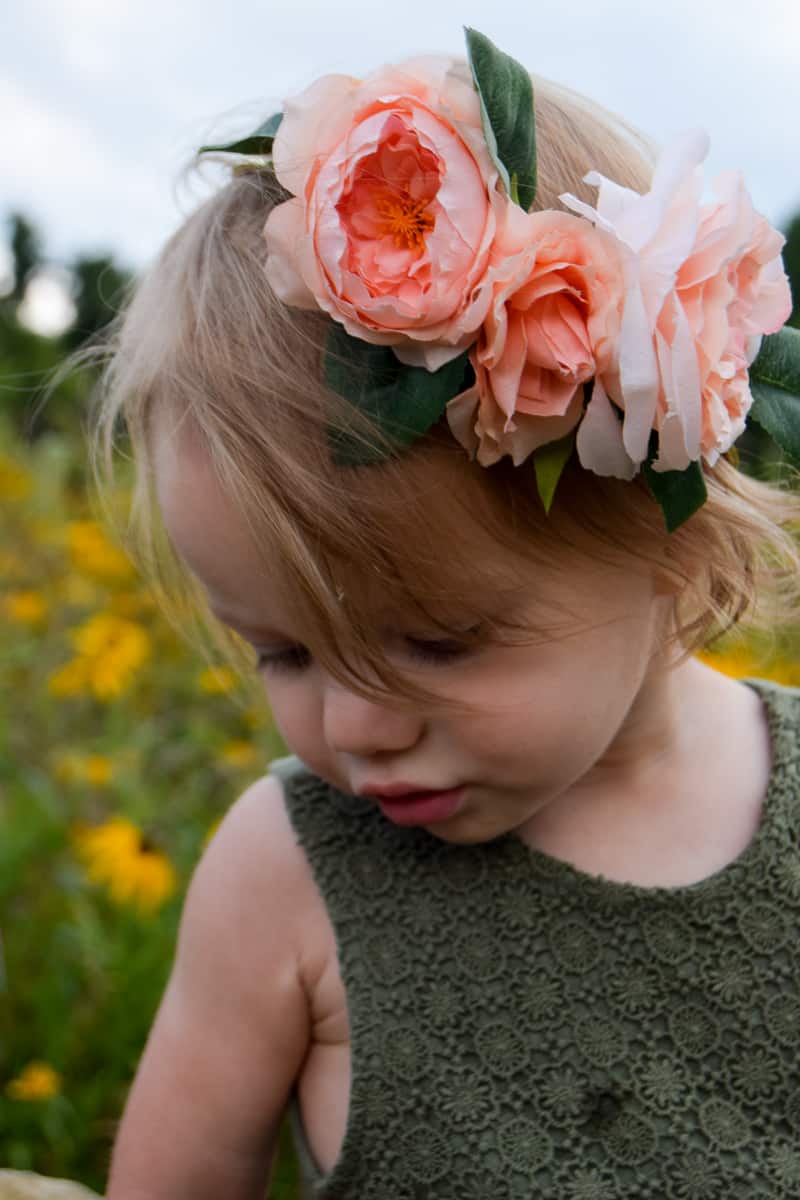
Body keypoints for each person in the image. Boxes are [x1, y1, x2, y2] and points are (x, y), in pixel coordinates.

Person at [93, 30, 800, 1200]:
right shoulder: (290, 878)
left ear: (667, 544)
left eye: (436, 638)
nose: (355, 728)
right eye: (281, 651)